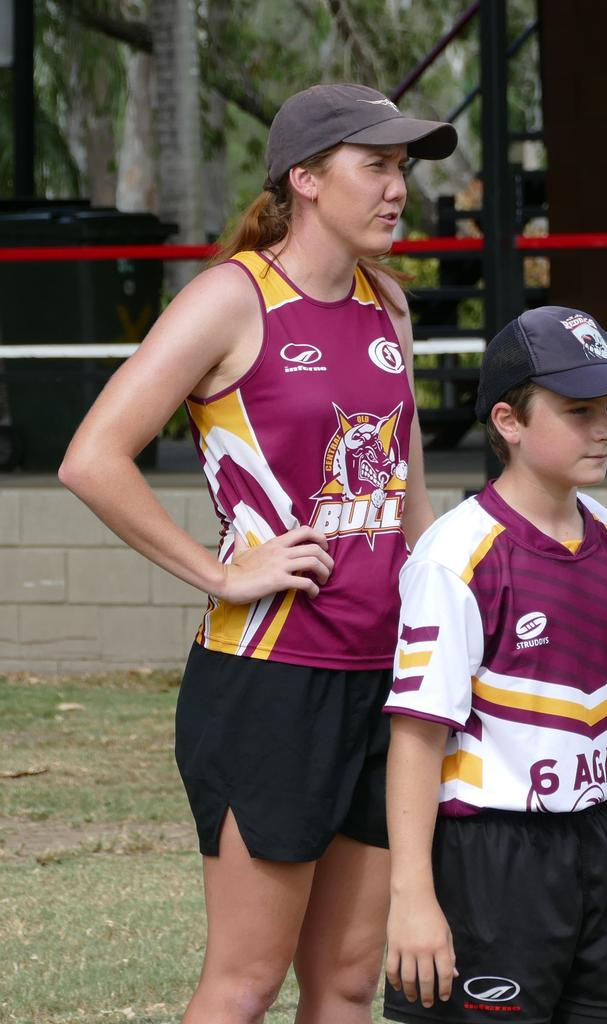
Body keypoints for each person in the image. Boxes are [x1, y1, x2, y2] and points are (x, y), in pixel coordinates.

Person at [59, 83, 457, 1024]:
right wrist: (221, 571)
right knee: (245, 984)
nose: (398, 188)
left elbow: (408, 494)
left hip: (385, 681)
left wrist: (445, 627)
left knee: (351, 983)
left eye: (403, 168)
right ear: (308, 180)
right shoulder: (231, 299)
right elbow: (90, 459)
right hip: (269, 683)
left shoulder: (388, 305)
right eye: (377, 165)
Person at [383, 306, 607, 1024]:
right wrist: (412, 895)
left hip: (596, 845)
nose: (604, 428)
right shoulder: (456, 556)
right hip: (489, 859)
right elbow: (416, 740)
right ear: (508, 421)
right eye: (578, 411)